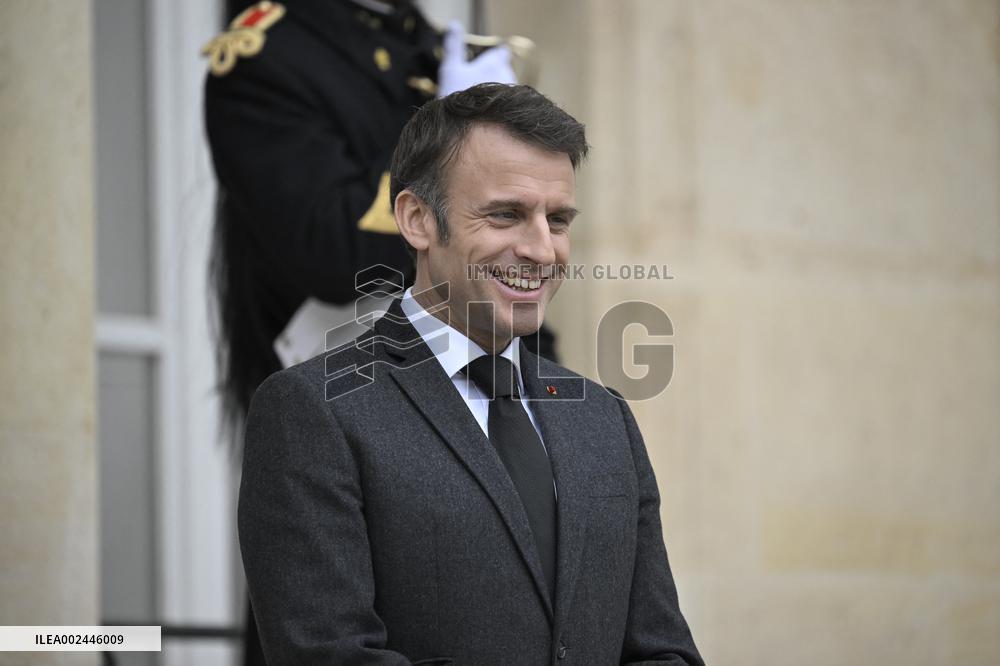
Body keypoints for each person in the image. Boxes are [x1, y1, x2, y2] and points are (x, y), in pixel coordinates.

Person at [240, 83, 703, 665]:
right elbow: (329, 656)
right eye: (506, 215)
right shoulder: (314, 409)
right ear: (415, 219)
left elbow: (663, 652)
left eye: (557, 220)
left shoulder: (604, 416)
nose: (542, 249)